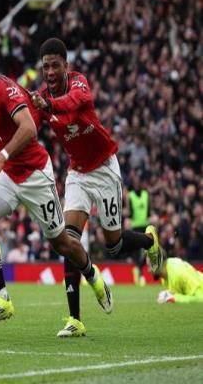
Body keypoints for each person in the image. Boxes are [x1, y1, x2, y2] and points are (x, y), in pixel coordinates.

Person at [0, 40, 112, 327]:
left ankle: (93, 276)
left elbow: (29, 128)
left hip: (34, 174)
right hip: (8, 173)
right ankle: (2, 299)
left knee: (61, 243)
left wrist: (1, 156)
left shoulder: (5, 89)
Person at [30, 38, 164, 337]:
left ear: (66, 66)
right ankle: (75, 319)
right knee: (68, 240)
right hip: (78, 172)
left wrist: (48, 104)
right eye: (45, 67)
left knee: (112, 244)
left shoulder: (79, 84)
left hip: (104, 169)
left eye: (55, 66)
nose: (49, 72)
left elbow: (73, 103)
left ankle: (149, 241)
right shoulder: (41, 97)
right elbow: (27, 122)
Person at [128, 177, 151, 286]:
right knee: (136, 251)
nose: (137, 185)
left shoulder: (146, 195)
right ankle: (139, 272)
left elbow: (149, 210)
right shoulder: (130, 195)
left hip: (145, 226)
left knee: (146, 251)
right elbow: (130, 212)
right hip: (135, 226)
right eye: (135, 183)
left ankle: (139, 269)